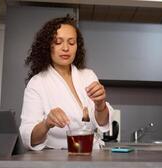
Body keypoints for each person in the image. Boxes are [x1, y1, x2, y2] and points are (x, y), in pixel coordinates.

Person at [19, 15, 113, 150]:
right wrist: (46, 123)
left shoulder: (88, 75)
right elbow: (29, 138)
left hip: (91, 153)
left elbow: (102, 122)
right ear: (47, 46)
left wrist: (100, 105)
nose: (65, 48)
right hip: (56, 159)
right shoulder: (37, 83)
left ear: (77, 46)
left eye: (71, 42)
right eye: (58, 42)